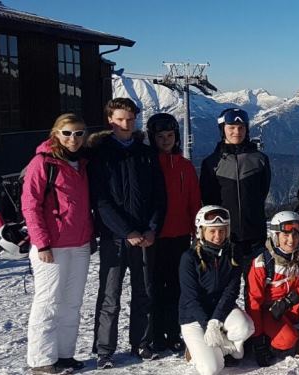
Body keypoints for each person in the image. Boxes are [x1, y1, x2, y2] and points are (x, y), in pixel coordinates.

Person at [89, 98, 167, 368]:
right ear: (110, 120)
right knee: (110, 295)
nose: (126, 124)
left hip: (144, 235)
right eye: (120, 119)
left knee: (143, 291)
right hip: (115, 237)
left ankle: (141, 343)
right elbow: (100, 201)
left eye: (130, 119)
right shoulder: (100, 154)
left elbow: (160, 196)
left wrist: (151, 229)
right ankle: (104, 350)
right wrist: (127, 230)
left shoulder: (145, 153)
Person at [22, 114, 93, 374]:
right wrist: (41, 244)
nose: (73, 139)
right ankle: (40, 359)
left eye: (78, 133)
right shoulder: (43, 163)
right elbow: (30, 206)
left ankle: (64, 354)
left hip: (80, 243)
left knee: (72, 303)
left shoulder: (82, 163)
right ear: (56, 134)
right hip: (52, 245)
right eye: (67, 133)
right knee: (48, 302)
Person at [146, 113, 201, 353]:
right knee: (155, 288)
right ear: (153, 138)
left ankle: (174, 331)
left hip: (179, 235)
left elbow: (194, 201)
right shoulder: (148, 164)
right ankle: (156, 334)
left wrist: (196, 231)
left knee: (177, 287)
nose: (166, 140)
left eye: (170, 136)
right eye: (160, 136)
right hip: (154, 236)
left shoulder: (184, 166)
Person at [247, 211, 299, 365]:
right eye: (285, 235)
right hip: (272, 312)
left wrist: (294, 296)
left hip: (291, 306)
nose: (291, 240)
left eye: (296, 234)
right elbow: (254, 301)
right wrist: (258, 340)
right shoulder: (263, 262)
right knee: (287, 340)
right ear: (275, 236)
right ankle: (277, 342)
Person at [178, 206, 254, 375]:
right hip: (193, 318)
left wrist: (215, 322)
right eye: (212, 231)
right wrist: (207, 325)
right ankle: (197, 349)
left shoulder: (233, 253)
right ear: (201, 231)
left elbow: (231, 290)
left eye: (222, 231)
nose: (217, 236)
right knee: (211, 369)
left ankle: (216, 346)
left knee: (246, 328)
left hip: (221, 311)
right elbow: (191, 299)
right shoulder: (189, 258)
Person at [200, 107, 271, 265]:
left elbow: (262, 191)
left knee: (255, 284)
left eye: (241, 127)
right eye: (231, 128)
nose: (237, 132)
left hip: (254, 233)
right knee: (226, 285)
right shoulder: (211, 163)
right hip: (224, 235)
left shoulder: (260, 159)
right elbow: (208, 199)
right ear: (222, 129)